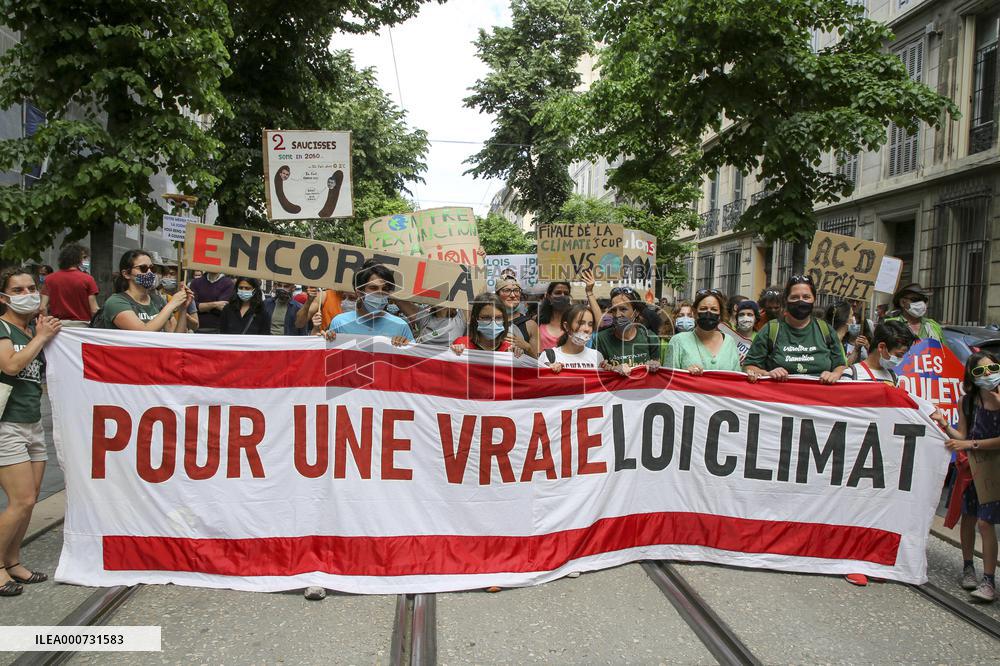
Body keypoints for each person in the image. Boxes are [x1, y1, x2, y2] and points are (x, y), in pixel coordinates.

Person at [0, 268, 61, 596]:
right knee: (20, 500)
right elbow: (9, 365)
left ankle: (13, 561)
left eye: (31, 287)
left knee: (31, 499)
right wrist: (40, 337)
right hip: (6, 424)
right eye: (18, 289)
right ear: (4, 297)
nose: (27, 293)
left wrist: (39, 334)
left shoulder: (31, 329)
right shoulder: (4, 328)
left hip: (31, 422)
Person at [841, 320, 917, 587]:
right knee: (853, 510)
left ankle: (871, 558)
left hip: (882, 459)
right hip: (853, 457)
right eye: (898, 354)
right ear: (882, 347)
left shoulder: (895, 378)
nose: (900, 359)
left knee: (877, 511)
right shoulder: (852, 375)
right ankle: (851, 560)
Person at [932, 352, 1000, 603]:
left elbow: (972, 441)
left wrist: (972, 445)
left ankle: (989, 580)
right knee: (969, 519)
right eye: (981, 371)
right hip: (972, 469)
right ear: (971, 377)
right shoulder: (967, 402)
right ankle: (968, 567)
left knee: (985, 522)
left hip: (994, 470)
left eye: (992, 368)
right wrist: (944, 424)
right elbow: (962, 434)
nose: (989, 375)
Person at [744, 275, 846, 384]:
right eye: (794, 297)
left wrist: (834, 374)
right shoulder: (770, 329)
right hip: (779, 398)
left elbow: (840, 365)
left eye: (806, 297)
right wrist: (768, 374)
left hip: (820, 398)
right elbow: (749, 367)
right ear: (786, 300)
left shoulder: (825, 330)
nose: (800, 301)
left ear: (814, 299)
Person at [101, 250, 192, 332]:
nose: (150, 273)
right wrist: (171, 304)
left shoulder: (158, 301)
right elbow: (143, 332)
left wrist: (183, 308)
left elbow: (175, 338)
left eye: (152, 268)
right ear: (126, 274)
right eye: (143, 268)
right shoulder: (116, 302)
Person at [326, 261, 414, 343]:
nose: (380, 293)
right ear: (359, 292)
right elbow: (328, 353)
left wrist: (406, 346)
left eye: (385, 289)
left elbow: (413, 357)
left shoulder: (401, 326)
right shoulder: (340, 322)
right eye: (373, 288)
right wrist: (324, 340)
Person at [664, 289, 741, 374]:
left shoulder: (730, 342)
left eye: (714, 309)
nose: (708, 312)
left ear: (720, 315)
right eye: (703, 308)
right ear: (695, 312)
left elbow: (737, 379)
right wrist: (685, 374)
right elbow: (668, 378)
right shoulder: (678, 341)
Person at [593, 287, 660, 372]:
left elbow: (658, 371)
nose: (617, 315)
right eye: (613, 310)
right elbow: (596, 374)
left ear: (636, 312)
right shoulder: (601, 339)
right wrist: (611, 369)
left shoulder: (650, 337)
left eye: (623, 309)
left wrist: (654, 365)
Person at [39, 243, 98, 326]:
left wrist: (47, 325)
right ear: (76, 259)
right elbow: (94, 309)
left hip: (56, 327)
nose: (86, 260)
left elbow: (42, 308)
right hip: (82, 327)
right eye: (84, 258)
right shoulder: (88, 279)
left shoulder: (49, 279)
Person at [451, 293, 523, 357]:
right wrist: (454, 354)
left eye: (498, 318)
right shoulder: (462, 344)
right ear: (475, 318)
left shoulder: (509, 350)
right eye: (486, 318)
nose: (493, 323)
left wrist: (518, 357)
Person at [538, 303, 604, 371]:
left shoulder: (597, 356)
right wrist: (549, 372)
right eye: (581, 323)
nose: (587, 329)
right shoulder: (548, 357)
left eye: (590, 324)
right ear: (566, 326)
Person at [395, 301, 466, 346]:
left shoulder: (460, 320)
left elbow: (470, 297)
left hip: (446, 366)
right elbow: (398, 299)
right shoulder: (425, 318)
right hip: (422, 365)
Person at [496, 277, 537, 357]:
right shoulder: (488, 322)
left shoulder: (530, 325)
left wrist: (527, 347)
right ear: (497, 295)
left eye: (516, 290)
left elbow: (539, 364)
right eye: (507, 290)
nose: (512, 295)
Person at [156, 263, 199, 332]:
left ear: (180, 278)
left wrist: (183, 312)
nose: (167, 277)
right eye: (165, 274)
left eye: (172, 274)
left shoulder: (185, 296)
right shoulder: (156, 296)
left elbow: (195, 326)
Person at [826, 300, 869, 366]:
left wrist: (856, 349)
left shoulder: (838, 342)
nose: (853, 319)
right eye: (851, 315)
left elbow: (844, 365)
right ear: (845, 319)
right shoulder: (832, 342)